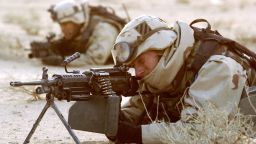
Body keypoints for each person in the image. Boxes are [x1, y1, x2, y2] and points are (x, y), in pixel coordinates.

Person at [110, 15, 256, 143]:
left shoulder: (218, 67)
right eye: (133, 66)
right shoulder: (158, 75)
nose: (138, 72)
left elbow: (198, 132)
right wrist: (110, 117)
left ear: (162, 49)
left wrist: (136, 135)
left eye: (141, 61)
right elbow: (133, 115)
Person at [40, 0, 126, 66]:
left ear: (76, 20)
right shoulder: (79, 29)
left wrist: (61, 61)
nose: (62, 29)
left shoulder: (104, 29)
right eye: (61, 25)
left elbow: (95, 59)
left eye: (65, 24)